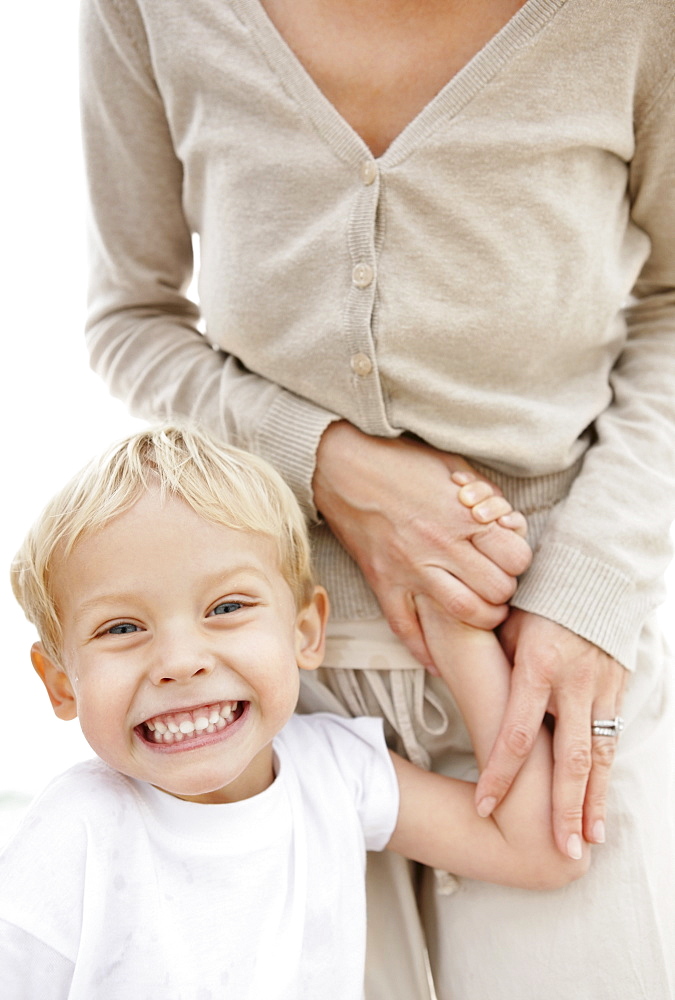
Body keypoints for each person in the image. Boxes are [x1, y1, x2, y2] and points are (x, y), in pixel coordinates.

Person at [79, 1, 675, 996]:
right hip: (269, 691)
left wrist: (594, 591)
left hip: (556, 661)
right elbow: (130, 317)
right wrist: (329, 466)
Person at [2, 423, 583, 997]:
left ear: (306, 631)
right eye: (122, 627)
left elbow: (535, 851)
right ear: (61, 684)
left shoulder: (333, 772)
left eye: (226, 607)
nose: (179, 662)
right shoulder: (70, 833)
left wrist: (457, 625)